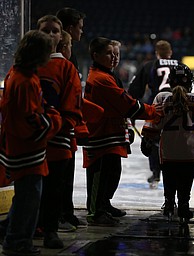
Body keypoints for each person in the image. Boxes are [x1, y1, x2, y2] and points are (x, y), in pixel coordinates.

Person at [83, 37, 161, 226]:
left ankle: (104, 204)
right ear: (96, 55)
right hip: (101, 136)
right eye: (109, 53)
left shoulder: (107, 75)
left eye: (117, 54)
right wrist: (153, 111)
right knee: (100, 175)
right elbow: (126, 104)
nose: (114, 57)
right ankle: (95, 211)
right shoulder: (101, 79)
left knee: (111, 173)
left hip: (110, 135)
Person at [0, 30, 62, 256]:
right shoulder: (25, 81)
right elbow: (31, 120)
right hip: (27, 150)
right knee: (29, 199)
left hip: (18, 148)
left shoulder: (16, 74)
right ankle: (17, 243)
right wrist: (54, 121)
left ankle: (8, 232)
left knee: (24, 196)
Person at [141, 64, 194, 223]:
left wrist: (147, 140)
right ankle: (184, 204)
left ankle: (169, 203)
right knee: (187, 180)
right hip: (190, 151)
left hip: (169, 151)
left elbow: (153, 126)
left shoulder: (161, 97)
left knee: (170, 178)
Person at [37, 15, 83, 249]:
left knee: (54, 187)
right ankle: (35, 225)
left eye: (55, 31)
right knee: (32, 187)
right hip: (32, 141)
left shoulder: (66, 67)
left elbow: (72, 106)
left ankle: (50, 229)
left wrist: (57, 126)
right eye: (46, 30)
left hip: (56, 139)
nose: (51, 34)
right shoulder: (27, 65)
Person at [128, 40, 180, 187]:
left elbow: (135, 90)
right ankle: (174, 172)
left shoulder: (149, 65)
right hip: (176, 108)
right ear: (170, 52)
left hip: (156, 107)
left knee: (153, 139)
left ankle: (156, 173)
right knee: (175, 140)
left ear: (156, 53)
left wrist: (131, 112)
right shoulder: (180, 65)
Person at [56, 7, 87, 230]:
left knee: (66, 173)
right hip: (61, 127)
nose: (82, 32)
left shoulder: (71, 57)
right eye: (80, 27)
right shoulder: (64, 62)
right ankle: (58, 216)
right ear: (69, 29)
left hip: (65, 125)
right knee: (61, 174)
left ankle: (65, 212)